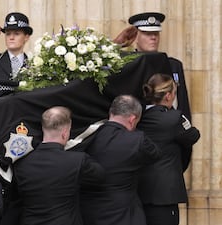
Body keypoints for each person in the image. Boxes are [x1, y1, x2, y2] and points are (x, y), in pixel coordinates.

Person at [12, 106, 105, 225]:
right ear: (65, 133)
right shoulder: (77, 161)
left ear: (42, 128)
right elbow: (100, 177)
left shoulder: (21, 163)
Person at [79, 95, 161, 225]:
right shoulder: (137, 140)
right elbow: (155, 154)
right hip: (124, 215)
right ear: (133, 119)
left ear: (111, 112)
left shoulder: (88, 136)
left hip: (89, 214)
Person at [137, 73, 200, 225]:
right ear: (168, 96)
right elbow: (192, 135)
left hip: (139, 190)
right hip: (165, 194)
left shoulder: (139, 116)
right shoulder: (174, 118)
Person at [113, 12, 191, 122]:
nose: (153, 37)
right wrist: (115, 45)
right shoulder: (127, 64)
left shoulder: (173, 65)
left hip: (168, 127)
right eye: (147, 33)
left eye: (156, 33)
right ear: (135, 36)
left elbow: (182, 102)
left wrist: (185, 128)